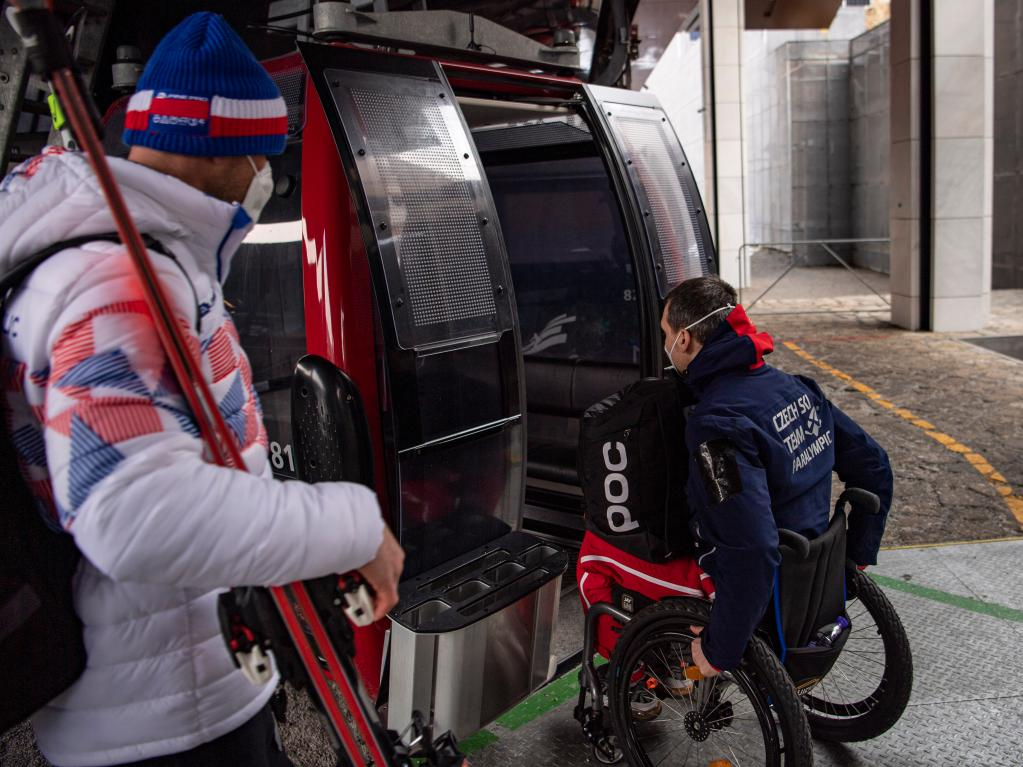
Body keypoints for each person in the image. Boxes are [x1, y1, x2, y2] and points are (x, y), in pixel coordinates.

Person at [0, 13, 402, 767]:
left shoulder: (153, 258)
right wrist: (355, 526)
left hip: (181, 682)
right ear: (240, 151)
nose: (268, 177)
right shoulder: (115, 282)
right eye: (269, 155)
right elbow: (131, 511)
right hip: (156, 725)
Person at [660, 276, 893, 677]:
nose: (666, 344)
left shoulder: (716, 424)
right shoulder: (798, 388)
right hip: (817, 559)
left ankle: (663, 676)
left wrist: (720, 650)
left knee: (613, 564)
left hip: (768, 585)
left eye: (665, 333)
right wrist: (854, 555)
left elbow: (751, 548)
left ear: (684, 339)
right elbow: (874, 465)